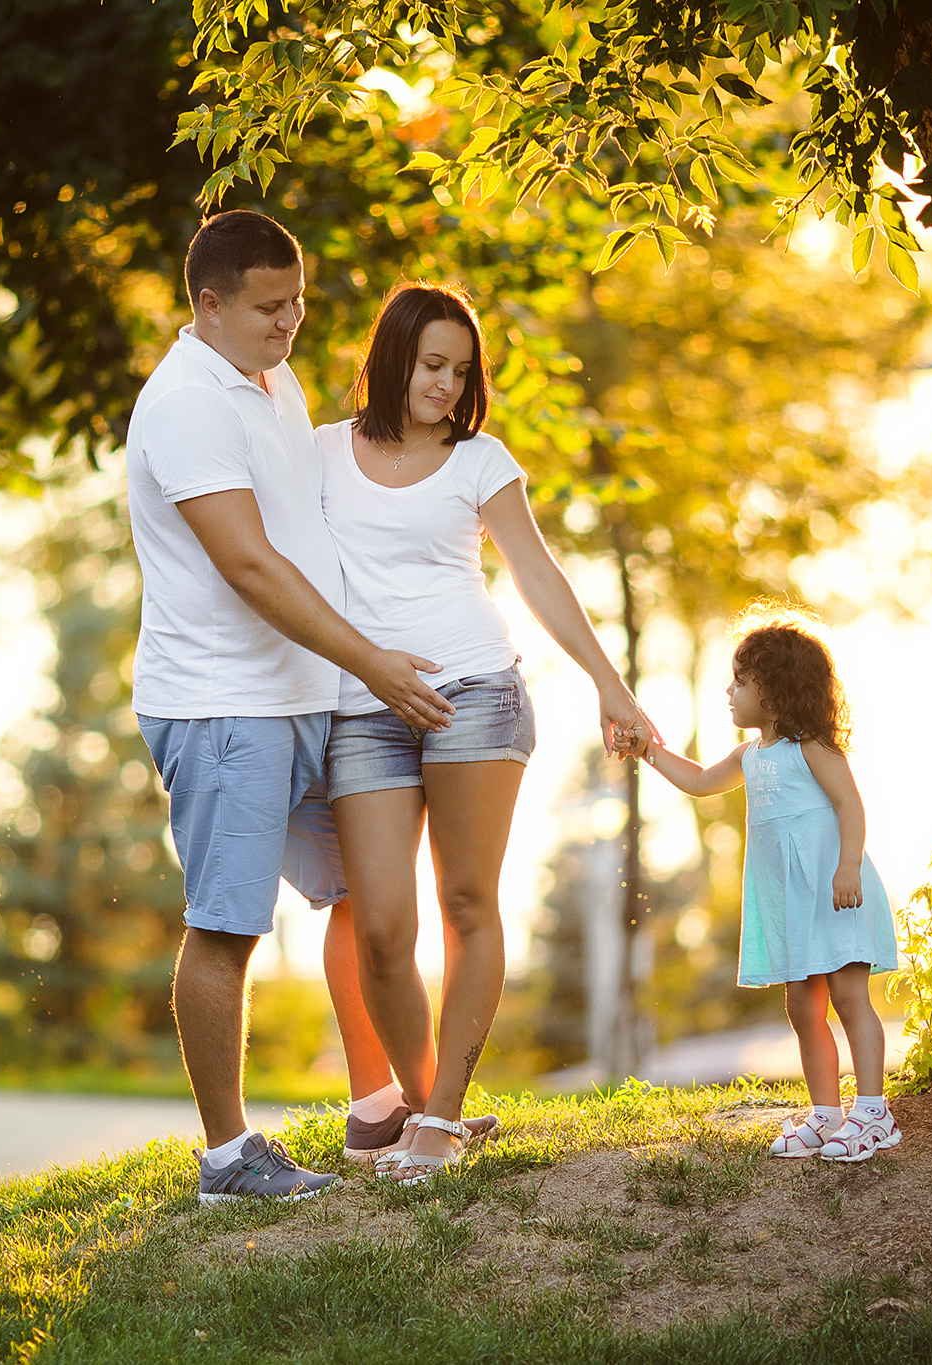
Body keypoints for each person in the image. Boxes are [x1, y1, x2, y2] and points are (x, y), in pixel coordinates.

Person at [125, 210, 457, 1203]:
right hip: (223, 708)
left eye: (299, 301)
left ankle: (381, 1106)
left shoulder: (271, 383)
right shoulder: (186, 403)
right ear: (208, 303)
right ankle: (228, 1157)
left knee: (363, 895)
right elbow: (249, 568)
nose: (291, 323)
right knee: (227, 926)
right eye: (269, 308)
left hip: (304, 692)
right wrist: (374, 663)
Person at [317, 283, 653, 1183]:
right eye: (432, 365)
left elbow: (537, 575)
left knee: (466, 905)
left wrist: (609, 684)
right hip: (364, 711)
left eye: (460, 371)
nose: (445, 384)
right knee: (382, 925)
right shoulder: (318, 454)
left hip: (476, 694)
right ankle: (428, 1104)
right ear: (392, 356)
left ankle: (442, 1119)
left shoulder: (480, 460)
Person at [633, 610, 902, 1163]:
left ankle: (873, 1113)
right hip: (788, 902)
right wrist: (647, 749)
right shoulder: (749, 756)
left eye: (739, 681)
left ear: (774, 691)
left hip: (834, 889)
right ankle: (827, 1114)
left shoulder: (813, 748)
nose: (728, 691)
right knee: (803, 1008)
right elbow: (700, 782)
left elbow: (851, 805)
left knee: (850, 998)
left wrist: (847, 865)